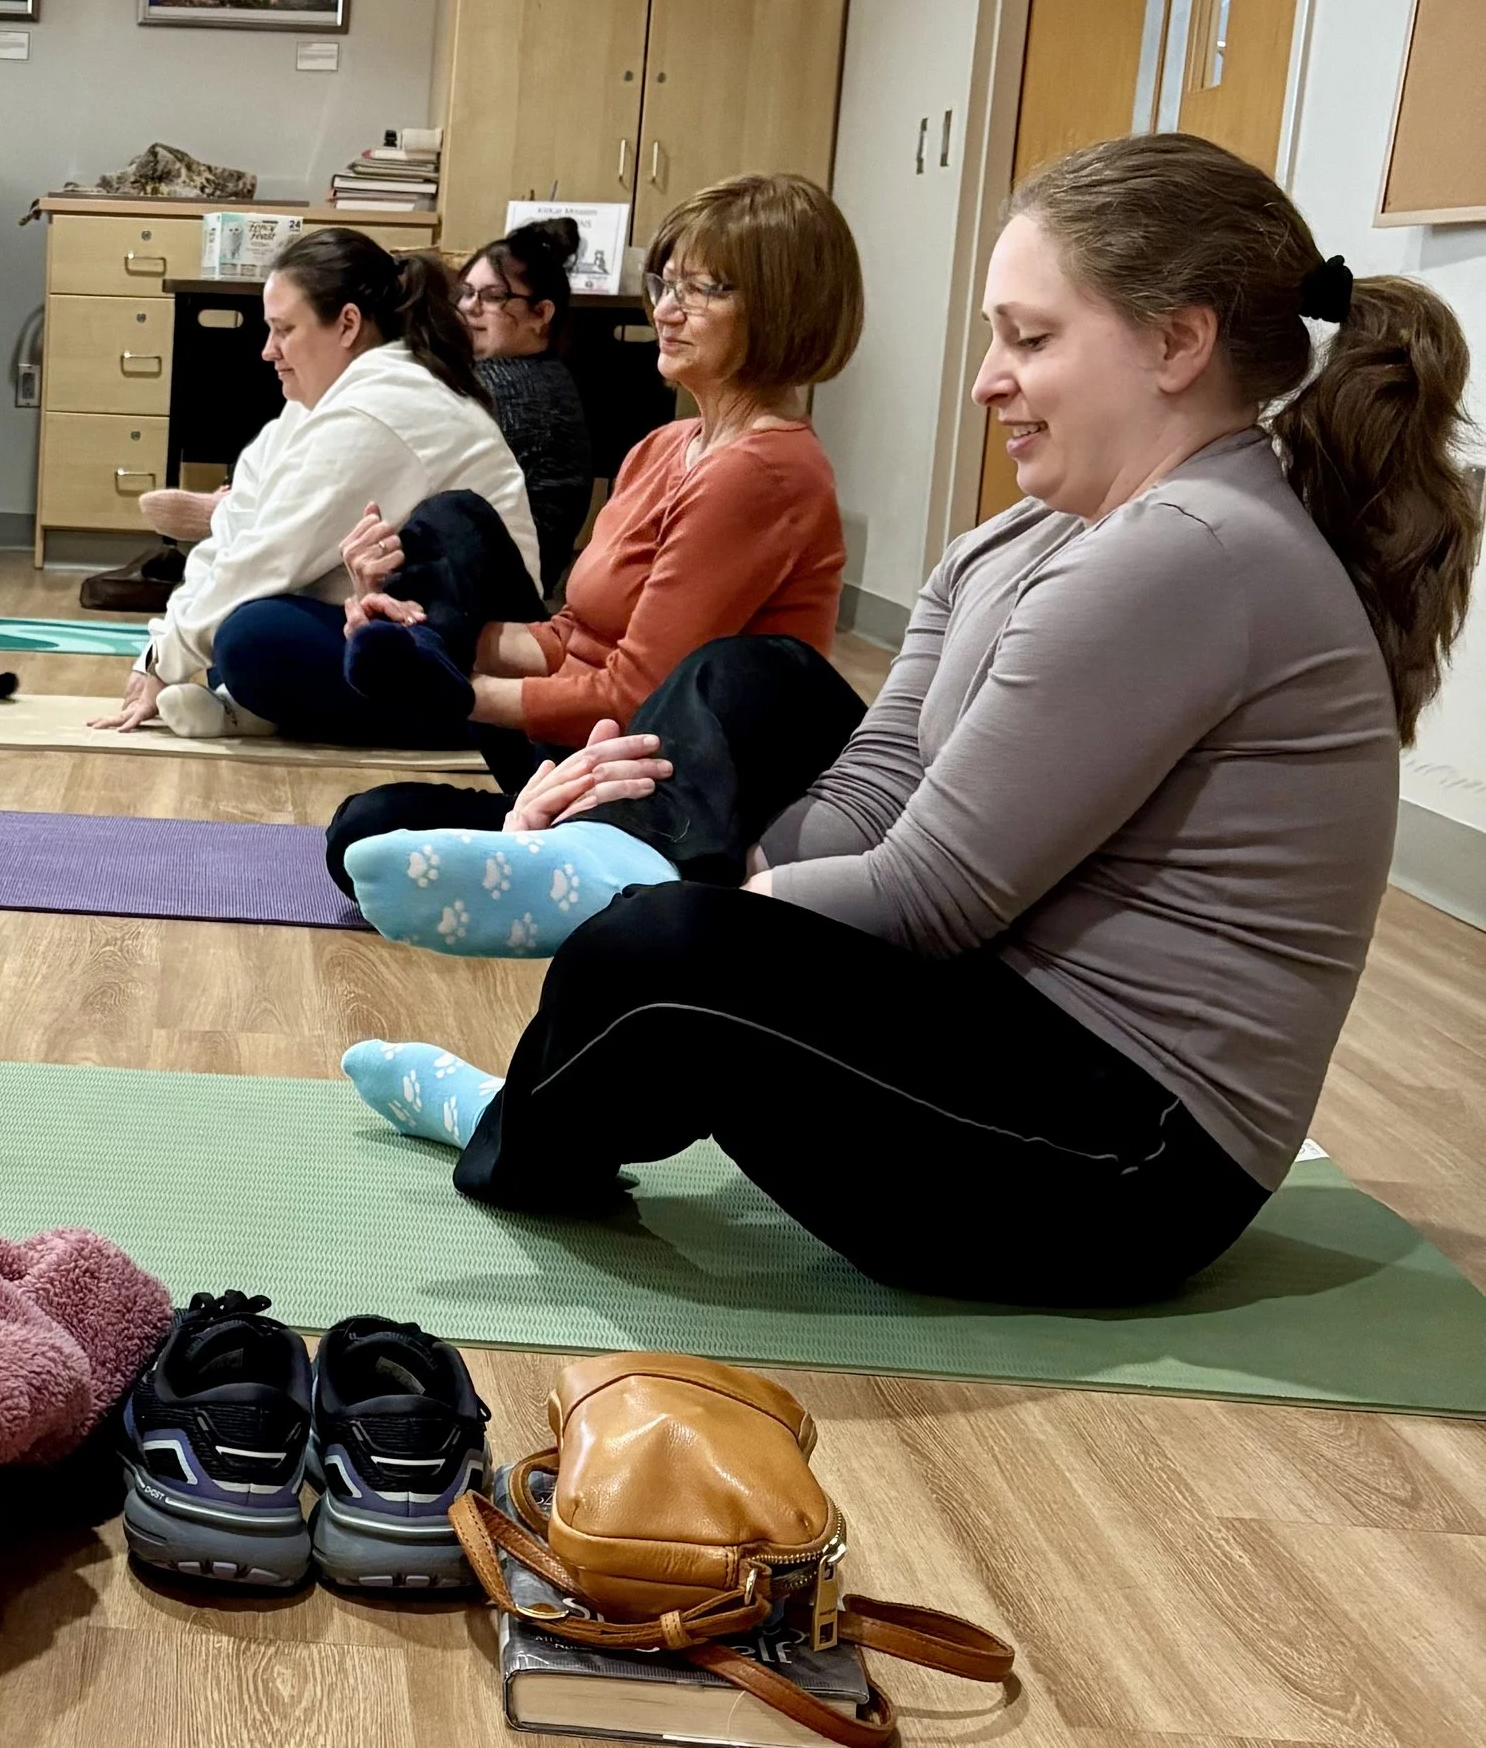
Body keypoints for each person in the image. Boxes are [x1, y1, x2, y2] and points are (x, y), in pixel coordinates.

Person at [341, 132, 1479, 1309]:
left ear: (1178, 342)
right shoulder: (1026, 537)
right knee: (761, 689)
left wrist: (683, 903)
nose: (988, 377)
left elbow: (933, 897)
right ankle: (579, 982)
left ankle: (534, 1090)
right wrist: (734, 869)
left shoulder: (1189, 552)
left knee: (663, 950)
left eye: (1030, 339)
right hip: (1016, 1020)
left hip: (1125, 1163)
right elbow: (883, 775)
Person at [328, 172, 861, 889]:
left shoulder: (765, 470)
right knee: (455, 519)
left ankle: (578, 858)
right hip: (583, 748)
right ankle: (533, 823)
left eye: (706, 290)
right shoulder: (664, 446)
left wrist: (458, 692)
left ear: (781, 309)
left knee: (368, 828)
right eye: (667, 284)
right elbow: (571, 633)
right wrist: (424, 637)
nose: (668, 310)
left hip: (659, 786)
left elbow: (635, 699)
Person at [88, 227, 540, 743]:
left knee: (250, 639)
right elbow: (236, 534)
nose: (267, 350)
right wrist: (167, 644)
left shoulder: (384, 406)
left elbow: (269, 556)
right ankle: (249, 705)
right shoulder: (314, 405)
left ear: (348, 323)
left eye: (284, 330)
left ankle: (450, 718)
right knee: (234, 626)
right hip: (393, 621)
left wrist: (160, 662)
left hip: (463, 650)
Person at [457, 218, 595, 595]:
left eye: (493, 296)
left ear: (541, 314)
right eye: (466, 291)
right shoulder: (543, 372)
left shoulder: (504, 385)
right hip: (515, 576)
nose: (470, 307)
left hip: (500, 589)